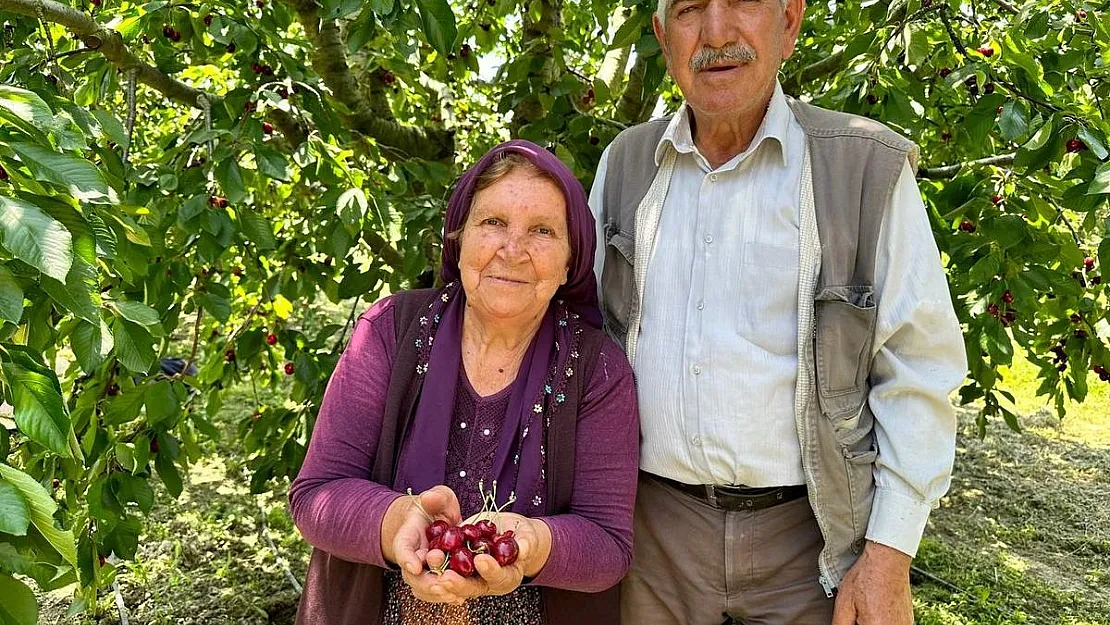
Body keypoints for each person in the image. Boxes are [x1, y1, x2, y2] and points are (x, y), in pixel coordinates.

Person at [589, 1, 968, 624]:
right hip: (652, 539)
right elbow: (584, 341)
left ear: (789, 22)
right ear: (662, 36)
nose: (716, 33)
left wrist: (888, 557)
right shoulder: (626, 164)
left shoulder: (864, 167)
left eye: (741, 2)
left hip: (814, 539)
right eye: (688, 10)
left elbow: (919, 367)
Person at [291, 140, 639, 625]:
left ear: (570, 263)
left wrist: (532, 545)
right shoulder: (390, 329)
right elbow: (316, 494)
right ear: (458, 239)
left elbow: (608, 545)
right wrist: (398, 524)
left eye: (542, 231)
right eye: (492, 222)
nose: (512, 251)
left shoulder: (598, 370)